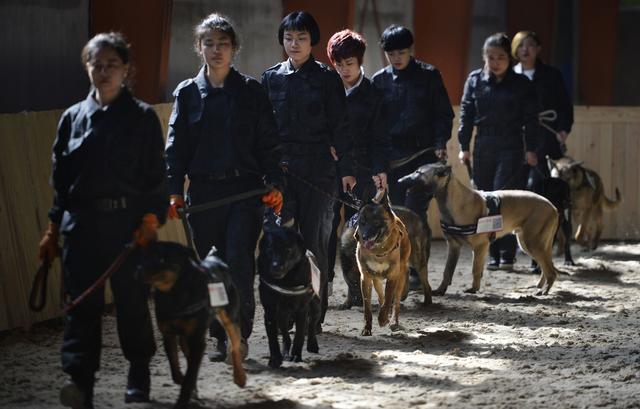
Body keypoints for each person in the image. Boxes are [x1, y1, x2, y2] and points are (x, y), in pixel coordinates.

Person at [37, 32, 167, 408]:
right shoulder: (72, 119)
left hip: (129, 227)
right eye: (97, 64)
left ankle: (138, 376)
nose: (104, 71)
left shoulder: (141, 118)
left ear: (126, 69)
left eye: (112, 64)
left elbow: (155, 177)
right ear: (87, 67)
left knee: (132, 304)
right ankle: (80, 382)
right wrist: (52, 228)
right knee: (81, 307)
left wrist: (150, 219)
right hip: (81, 227)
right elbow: (60, 182)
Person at [165, 13, 283, 362]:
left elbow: (268, 144)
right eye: (209, 44)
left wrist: (274, 182)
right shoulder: (187, 94)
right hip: (203, 196)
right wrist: (173, 189)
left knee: (238, 262)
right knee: (211, 267)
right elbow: (176, 148)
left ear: (234, 49)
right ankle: (219, 333)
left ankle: (239, 335)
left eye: (223, 44)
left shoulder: (251, 92)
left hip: (245, 193)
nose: (216, 50)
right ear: (199, 48)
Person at [262, 11, 355, 326]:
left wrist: (344, 169)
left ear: (312, 41)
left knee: (315, 244)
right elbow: (261, 129)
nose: (294, 44)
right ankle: (285, 312)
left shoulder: (327, 79)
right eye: (288, 38)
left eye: (301, 38)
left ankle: (314, 314)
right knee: (280, 244)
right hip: (279, 173)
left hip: (318, 173)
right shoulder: (270, 78)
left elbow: (343, 128)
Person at [372, 24, 453, 289]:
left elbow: (444, 113)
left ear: (411, 51)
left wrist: (441, 143)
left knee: (415, 214)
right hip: (392, 158)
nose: (397, 58)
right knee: (394, 215)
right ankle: (399, 268)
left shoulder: (430, 76)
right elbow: (374, 123)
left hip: (422, 156)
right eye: (391, 53)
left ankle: (418, 269)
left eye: (402, 52)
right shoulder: (379, 80)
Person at [458, 32, 540, 270]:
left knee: (502, 197)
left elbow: (531, 119)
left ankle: (507, 252)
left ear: (509, 58)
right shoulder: (474, 80)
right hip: (483, 144)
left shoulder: (522, 84)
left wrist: (531, 148)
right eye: (490, 57)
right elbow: (466, 115)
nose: (495, 62)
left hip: (512, 145)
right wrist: (464, 147)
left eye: (500, 57)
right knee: (484, 199)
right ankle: (492, 251)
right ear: (484, 57)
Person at [325, 29, 391, 295]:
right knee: (327, 227)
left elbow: (380, 137)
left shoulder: (373, 94)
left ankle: (356, 288)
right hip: (330, 168)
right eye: (338, 64)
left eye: (349, 63)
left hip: (363, 170)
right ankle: (326, 281)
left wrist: (380, 169)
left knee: (359, 229)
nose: (344, 69)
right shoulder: (327, 89)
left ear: (360, 61)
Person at [511, 30, 574, 187]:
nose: (525, 49)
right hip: (517, 139)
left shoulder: (552, 75)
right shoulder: (509, 77)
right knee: (517, 185)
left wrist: (563, 129)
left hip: (546, 137)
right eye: (521, 45)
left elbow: (564, 105)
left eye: (531, 45)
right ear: (515, 49)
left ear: (538, 49)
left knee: (545, 184)